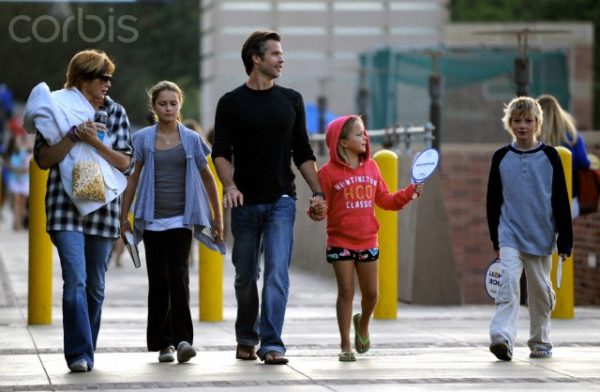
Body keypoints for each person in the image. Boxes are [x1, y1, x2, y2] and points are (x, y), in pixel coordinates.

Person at [212, 29, 326, 365]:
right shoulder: (230, 103)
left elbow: (302, 151)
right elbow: (220, 152)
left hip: (281, 199)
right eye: (275, 53)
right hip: (244, 203)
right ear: (256, 58)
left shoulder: (291, 99)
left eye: (281, 53)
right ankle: (247, 335)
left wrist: (318, 192)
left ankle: (272, 343)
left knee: (277, 271)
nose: (281, 59)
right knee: (246, 275)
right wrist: (230, 186)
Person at [24, 49, 134, 372]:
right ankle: (79, 354)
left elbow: (126, 163)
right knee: (75, 279)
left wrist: (95, 142)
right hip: (64, 207)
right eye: (103, 78)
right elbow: (42, 160)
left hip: (102, 208)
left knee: (95, 286)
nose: (108, 85)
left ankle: (87, 349)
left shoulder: (116, 113)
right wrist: (73, 136)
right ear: (83, 78)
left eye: (110, 78)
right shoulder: (57, 106)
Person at [120, 80, 225, 364]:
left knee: (178, 276)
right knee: (159, 281)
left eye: (173, 103)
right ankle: (162, 343)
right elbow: (132, 178)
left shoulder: (191, 139)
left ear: (180, 105)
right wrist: (124, 216)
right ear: (153, 107)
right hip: (152, 220)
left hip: (182, 219)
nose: (168, 108)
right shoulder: (142, 138)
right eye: (162, 103)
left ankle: (183, 341)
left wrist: (218, 217)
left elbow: (209, 178)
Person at [315, 115, 423, 361]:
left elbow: (386, 200)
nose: (365, 138)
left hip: (367, 241)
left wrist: (409, 192)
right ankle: (345, 345)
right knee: (346, 290)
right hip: (340, 241)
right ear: (342, 142)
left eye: (364, 133)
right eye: (358, 134)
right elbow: (320, 208)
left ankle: (362, 324)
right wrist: (315, 210)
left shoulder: (372, 168)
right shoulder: (327, 174)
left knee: (372, 294)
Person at [486, 96, 573, 361]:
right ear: (509, 124)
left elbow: (560, 199)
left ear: (537, 123)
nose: (522, 125)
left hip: (541, 236)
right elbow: (493, 200)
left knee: (539, 293)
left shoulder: (550, 156)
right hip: (509, 233)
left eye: (528, 120)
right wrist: (496, 240)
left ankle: (540, 341)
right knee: (508, 284)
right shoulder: (501, 157)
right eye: (516, 120)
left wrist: (565, 240)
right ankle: (502, 338)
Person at [538, 94, 591, 218]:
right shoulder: (572, 135)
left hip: (541, 200)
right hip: (569, 199)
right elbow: (584, 163)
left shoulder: (534, 139)